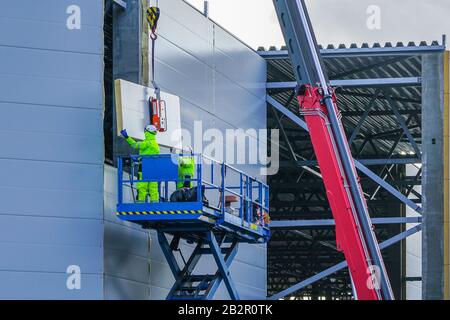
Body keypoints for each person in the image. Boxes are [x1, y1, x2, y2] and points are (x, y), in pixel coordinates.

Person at [121, 125, 160, 202]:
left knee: (142, 186)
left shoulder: (147, 143)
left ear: (147, 132)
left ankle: (140, 204)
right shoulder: (155, 144)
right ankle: (155, 205)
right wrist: (140, 157)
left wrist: (127, 137)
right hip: (154, 168)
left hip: (144, 167)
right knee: (153, 187)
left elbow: (135, 145)